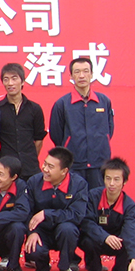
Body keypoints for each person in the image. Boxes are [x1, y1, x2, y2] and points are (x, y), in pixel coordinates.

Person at [24, 147, 88, 271]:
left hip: (64, 230)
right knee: (34, 248)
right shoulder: (34, 182)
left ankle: (65, 267)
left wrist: (47, 214)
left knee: (68, 229)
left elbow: (77, 214)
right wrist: (31, 232)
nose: (45, 169)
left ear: (64, 171)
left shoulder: (78, 184)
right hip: (41, 231)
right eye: (45, 164)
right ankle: (42, 266)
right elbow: (26, 211)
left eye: (51, 167)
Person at [49, 57, 114, 189]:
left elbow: (109, 130)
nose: (82, 76)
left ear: (92, 74)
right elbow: (56, 134)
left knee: (97, 198)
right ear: (71, 76)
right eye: (77, 72)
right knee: (75, 199)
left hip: (99, 163)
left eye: (85, 71)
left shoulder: (104, 101)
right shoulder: (62, 104)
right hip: (74, 164)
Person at [79, 157, 135, 271]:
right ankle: (93, 267)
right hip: (97, 239)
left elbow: (130, 231)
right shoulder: (93, 196)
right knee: (86, 239)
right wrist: (104, 237)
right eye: (108, 178)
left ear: (124, 181)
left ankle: (121, 269)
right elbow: (86, 222)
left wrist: (134, 259)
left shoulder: (129, 205)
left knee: (129, 246)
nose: (111, 183)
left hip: (117, 242)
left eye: (116, 179)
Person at [0, 63, 47, 181]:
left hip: (30, 168)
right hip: (6, 169)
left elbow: (39, 139)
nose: (10, 83)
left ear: (23, 81)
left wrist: (29, 157)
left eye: (14, 78)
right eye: (6, 79)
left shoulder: (34, 109)